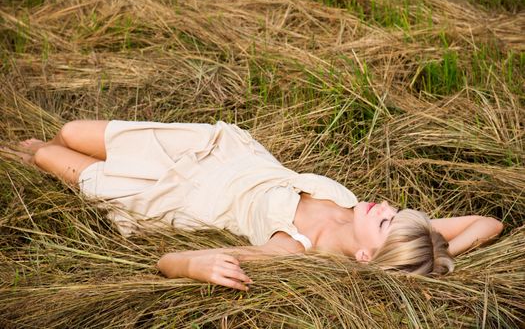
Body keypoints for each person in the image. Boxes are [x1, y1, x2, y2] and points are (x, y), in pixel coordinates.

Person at [2, 120, 504, 291]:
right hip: (215, 150)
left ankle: (25, 157)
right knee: (69, 131)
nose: (387, 207)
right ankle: (36, 152)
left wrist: (191, 266)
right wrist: (436, 258)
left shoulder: (298, 248)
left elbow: (165, 263)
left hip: (178, 192)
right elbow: (489, 222)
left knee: (46, 152)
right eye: (397, 213)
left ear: (364, 259)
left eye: (388, 222)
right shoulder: (371, 225)